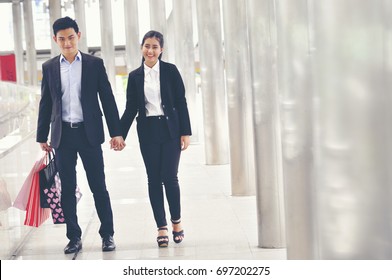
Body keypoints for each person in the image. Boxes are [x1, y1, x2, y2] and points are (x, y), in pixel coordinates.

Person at [36, 16, 125, 254]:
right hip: (63, 136)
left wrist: (116, 132)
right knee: (67, 189)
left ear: (79, 36)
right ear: (55, 40)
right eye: (62, 39)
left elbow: (107, 99)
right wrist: (41, 136)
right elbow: (46, 103)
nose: (67, 43)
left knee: (99, 186)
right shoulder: (50, 67)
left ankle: (107, 235)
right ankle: (73, 237)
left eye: (71, 37)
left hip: (89, 134)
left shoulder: (94, 65)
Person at [119, 30, 191, 247]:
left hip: (170, 129)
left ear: (161, 50)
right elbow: (131, 108)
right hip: (148, 131)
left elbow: (181, 102)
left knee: (170, 177)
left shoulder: (170, 71)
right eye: (147, 46)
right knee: (153, 179)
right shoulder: (134, 76)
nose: (150, 51)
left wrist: (185, 132)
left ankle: (176, 222)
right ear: (142, 48)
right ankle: (161, 227)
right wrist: (119, 133)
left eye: (155, 47)